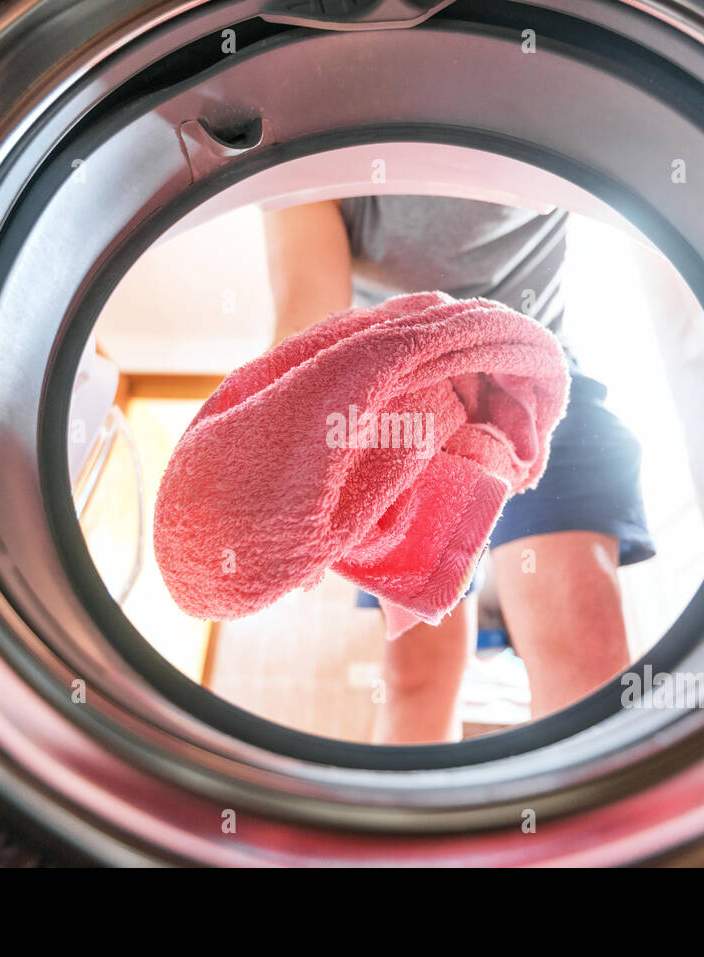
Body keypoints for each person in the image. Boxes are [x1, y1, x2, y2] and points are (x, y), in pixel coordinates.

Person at [263, 195, 654, 744]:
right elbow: (311, 313)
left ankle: (594, 827)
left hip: (535, 377)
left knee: (582, 658)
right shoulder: (301, 133)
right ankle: (405, 829)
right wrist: (287, 452)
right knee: (416, 674)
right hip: (404, 398)